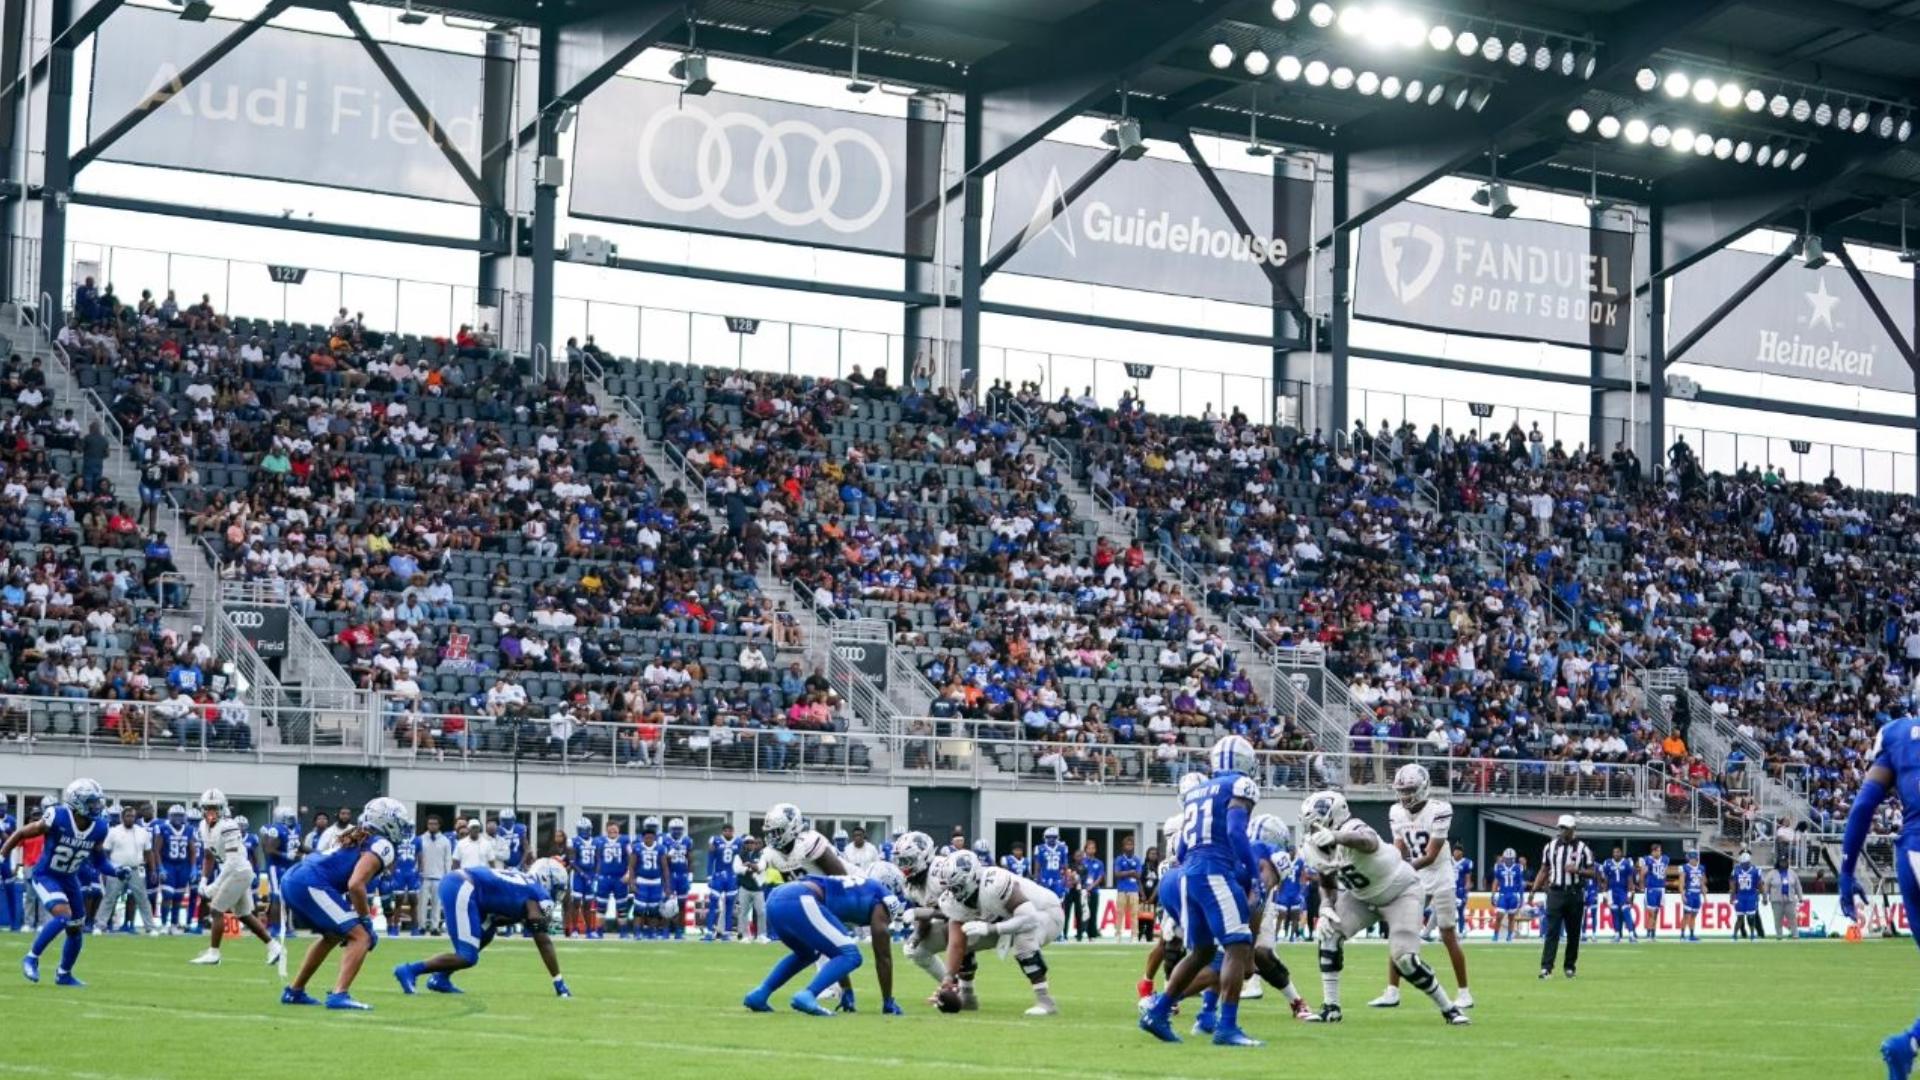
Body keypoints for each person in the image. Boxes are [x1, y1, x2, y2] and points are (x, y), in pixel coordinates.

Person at [1296, 789, 1469, 1027]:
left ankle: (1449, 1009)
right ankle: (1331, 1007)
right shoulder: (1315, 845)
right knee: (1328, 934)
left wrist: (1336, 836)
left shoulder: (1353, 828)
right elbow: (1326, 880)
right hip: (1361, 897)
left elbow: (1368, 842)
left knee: (1405, 959)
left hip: (1401, 892)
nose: (1313, 830)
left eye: (1315, 824)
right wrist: (1326, 905)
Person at [1138, 735, 1269, 1046]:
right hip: (1215, 872)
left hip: (1189, 873)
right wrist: (1253, 876)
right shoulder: (1240, 786)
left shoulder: (1198, 790)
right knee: (1237, 946)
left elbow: (1182, 847)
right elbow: (1237, 832)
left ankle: (1157, 1013)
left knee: (1203, 951)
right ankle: (1227, 1028)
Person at [1839, 716, 1920, 1076]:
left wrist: (1846, 870)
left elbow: (1862, 807)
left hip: (1911, 858)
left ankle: (1909, 1046)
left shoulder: (1897, 734)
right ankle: (1909, 1043)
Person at [279, 797, 408, 1010]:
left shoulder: (357, 835)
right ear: (385, 821)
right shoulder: (382, 844)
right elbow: (356, 884)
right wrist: (366, 921)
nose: (402, 828)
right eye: (399, 823)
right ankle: (339, 994)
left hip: (296, 878)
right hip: (312, 883)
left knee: (333, 936)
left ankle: (295, 991)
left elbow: (350, 883)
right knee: (361, 937)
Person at [1, 779, 123, 985]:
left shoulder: (100, 827)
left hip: (69, 878)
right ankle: (31, 957)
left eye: (97, 802)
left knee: (76, 928)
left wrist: (117, 870)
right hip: (46, 874)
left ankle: (64, 974)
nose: (96, 806)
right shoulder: (57, 816)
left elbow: (99, 860)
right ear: (77, 802)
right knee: (64, 916)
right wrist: (3, 855)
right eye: (91, 802)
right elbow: (21, 832)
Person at [1372, 764, 1472, 1010]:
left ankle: (1464, 992)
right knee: (1400, 930)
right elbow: (1399, 848)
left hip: (1440, 874)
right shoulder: (1396, 812)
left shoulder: (1439, 810)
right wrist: (1389, 865)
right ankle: (1392, 990)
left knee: (1448, 934)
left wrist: (1401, 870)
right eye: (1402, 790)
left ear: (1423, 788)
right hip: (1416, 876)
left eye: (1410, 790)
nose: (1404, 795)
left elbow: (1430, 854)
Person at [394, 859, 571, 997]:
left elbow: (498, 916)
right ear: (548, 880)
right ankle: (409, 970)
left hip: (463, 885)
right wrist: (558, 981)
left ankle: (441, 979)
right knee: (467, 956)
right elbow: (542, 938)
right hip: (464, 887)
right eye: (557, 888)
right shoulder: (539, 892)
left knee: (487, 932)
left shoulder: (524, 883)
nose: (557, 894)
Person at [744, 864, 905, 1016]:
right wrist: (887, 1001)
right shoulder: (885, 896)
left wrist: (847, 991)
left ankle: (759, 994)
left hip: (777, 898)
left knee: (807, 953)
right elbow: (882, 953)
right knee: (852, 955)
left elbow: (835, 950)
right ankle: (808, 995)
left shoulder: (857, 889)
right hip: (801, 898)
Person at [936, 850, 1065, 1017]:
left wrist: (992, 929)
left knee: (1023, 940)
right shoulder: (952, 901)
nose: (953, 893)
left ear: (972, 877)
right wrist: (948, 980)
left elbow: (1029, 918)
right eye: (950, 888)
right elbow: (956, 944)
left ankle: (1046, 1001)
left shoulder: (994, 882)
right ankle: (967, 996)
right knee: (966, 938)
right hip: (1008, 919)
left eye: (957, 887)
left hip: (1046, 912)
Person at [189, 789, 284, 967]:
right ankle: (274, 947)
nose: (211, 812)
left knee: (217, 909)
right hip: (232, 870)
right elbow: (208, 855)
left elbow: (232, 862)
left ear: (222, 808)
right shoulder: (203, 826)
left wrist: (215, 885)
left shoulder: (228, 826)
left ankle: (214, 953)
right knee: (244, 915)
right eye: (207, 808)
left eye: (215, 808)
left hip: (239, 871)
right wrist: (203, 880)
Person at [1529, 814, 1596, 979]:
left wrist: (1578, 871)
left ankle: (1569, 966)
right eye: (1560, 827)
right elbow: (1544, 870)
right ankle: (1546, 968)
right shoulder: (1550, 847)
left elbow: (1592, 872)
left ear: (1573, 829)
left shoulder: (1583, 848)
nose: (1561, 831)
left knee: (1573, 933)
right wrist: (1533, 890)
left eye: (1565, 828)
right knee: (1551, 931)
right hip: (1555, 892)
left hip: (1574, 893)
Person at [887, 832, 949, 991]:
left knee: (957, 932)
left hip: (980, 919)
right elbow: (926, 912)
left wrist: (919, 913)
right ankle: (950, 986)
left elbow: (959, 912)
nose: (903, 866)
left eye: (908, 860)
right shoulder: (911, 884)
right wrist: (916, 936)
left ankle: (958, 989)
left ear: (924, 856)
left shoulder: (941, 872)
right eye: (900, 861)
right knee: (916, 951)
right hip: (952, 923)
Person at [97, 805, 159, 935]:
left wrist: (153, 870)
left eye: (132, 816)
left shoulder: (142, 832)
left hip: (136, 869)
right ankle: (100, 925)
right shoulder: (114, 831)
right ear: (122, 817)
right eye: (127, 816)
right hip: (117, 870)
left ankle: (150, 927)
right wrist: (105, 869)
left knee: (142, 898)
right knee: (109, 897)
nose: (130, 819)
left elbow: (149, 853)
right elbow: (106, 852)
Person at [154, 804, 198, 933]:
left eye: (180, 815)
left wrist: (194, 867)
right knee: (167, 895)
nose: (178, 818)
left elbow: (193, 851)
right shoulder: (163, 828)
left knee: (178, 897)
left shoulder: (189, 829)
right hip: (169, 864)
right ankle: (163, 923)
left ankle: (174, 924)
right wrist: (160, 867)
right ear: (169, 816)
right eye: (175, 815)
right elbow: (156, 850)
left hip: (183, 865)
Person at [261, 807, 302, 938]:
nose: (292, 820)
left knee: (288, 896)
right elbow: (269, 849)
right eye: (288, 818)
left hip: (290, 866)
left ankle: (286, 926)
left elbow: (298, 845)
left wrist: (310, 853)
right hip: (276, 867)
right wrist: (285, 855)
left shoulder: (297, 828)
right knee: (276, 897)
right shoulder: (275, 829)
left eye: (292, 817)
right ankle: (275, 927)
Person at [624, 818, 663, 940]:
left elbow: (665, 867)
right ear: (642, 837)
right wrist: (632, 882)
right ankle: (637, 932)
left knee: (653, 910)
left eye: (651, 837)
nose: (649, 839)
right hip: (642, 881)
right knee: (639, 909)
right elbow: (631, 866)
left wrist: (666, 885)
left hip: (656, 882)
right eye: (646, 837)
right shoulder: (637, 846)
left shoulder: (660, 847)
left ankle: (652, 932)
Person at [414, 815, 454, 936]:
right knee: (422, 904)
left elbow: (448, 860)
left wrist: (447, 876)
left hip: (439, 877)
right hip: (424, 876)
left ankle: (435, 927)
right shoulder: (420, 839)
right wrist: (417, 873)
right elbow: (417, 858)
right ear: (427, 825)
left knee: (437, 904)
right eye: (430, 823)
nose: (432, 826)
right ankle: (421, 926)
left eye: (435, 824)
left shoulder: (445, 840)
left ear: (439, 825)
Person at [705, 823, 741, 941]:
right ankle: (709, 931)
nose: (727, 833)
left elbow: (742, 859)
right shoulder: (715, 841)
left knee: (729, 906)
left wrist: (739, 877)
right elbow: (711, 859)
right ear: (722, 832)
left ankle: (726, 932)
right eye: (725, 831)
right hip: (718, 875)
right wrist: (709, 876)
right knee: (713, 904)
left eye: (729, 831)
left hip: (732, 876)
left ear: (733, 831)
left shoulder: (739, 842)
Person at [566, 817, 597, 937]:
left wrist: (595, 874)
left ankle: (590, 929)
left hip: (591, 875)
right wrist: (583, 874)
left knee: (589, 904)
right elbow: (572, 861)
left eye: (586, 829)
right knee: (576, 902)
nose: (584, 831)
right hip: (578, 875)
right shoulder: (573, 841)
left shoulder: (595, 842)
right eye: (582, 829)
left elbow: (598, 859)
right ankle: (574, 929)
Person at [1600, 846, 1639, 943]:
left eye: (1617, 852)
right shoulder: (1608, 863)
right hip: (1612, 892)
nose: (1615, 854)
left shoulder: (1627, 863)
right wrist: (1604, 895)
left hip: (1623, 891)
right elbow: (1606, 880)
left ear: (1621, 853)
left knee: (1626, 912)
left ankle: (1631, 935)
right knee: (1615, 913)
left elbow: (1630, 880)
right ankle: (1617, 934)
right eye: (1614, 852)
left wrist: (1630, 894)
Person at [663, 817, 693, 939]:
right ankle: (665, 930)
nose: (677, 831)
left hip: (682, 875)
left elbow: (690, 858)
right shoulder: (665, 840)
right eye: (675, 829)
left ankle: (679, 931)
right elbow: (662, 860)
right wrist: (669, 854)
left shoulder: (687, 841)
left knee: (682, 905)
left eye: (679, 829)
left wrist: (690, 874)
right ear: (670, 829)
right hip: (670, 875)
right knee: (666, 905)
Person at [1070, 839, 1103, 941]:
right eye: (1089, 848)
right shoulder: (1082, 861)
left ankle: (1092, 935)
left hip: (1094, 890)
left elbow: (1100, 876)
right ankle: (1080, 933)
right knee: (1082, 913)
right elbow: (1077, 875)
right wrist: (1083, 887)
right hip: (1082, 891)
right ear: (1085, 850)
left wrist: (1092, 886)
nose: (1091, 850)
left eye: (1093, 848)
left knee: (1093, 912)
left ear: (1095, 850)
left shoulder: (1099, 863)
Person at [1490, 849, 1526, 942]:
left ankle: (1509, 936)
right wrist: (1493, 894)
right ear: (1504, 858)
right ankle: (1495, 935)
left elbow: (1520, 883)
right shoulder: (1498, 867)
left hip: (1513, 895)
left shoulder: (1518, 867)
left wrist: (1521, 897)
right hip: (1503, 894)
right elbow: (1496, 881)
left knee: (1511, 917)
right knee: (1499, 916)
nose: (1509, 860)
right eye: (1507, 858)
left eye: (1511, 858)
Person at [1729, 852, 1764, 940]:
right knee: (1740, 917)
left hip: (1751, 896)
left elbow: (1760, 884)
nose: (1744, 865)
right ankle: (1735, 934)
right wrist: (1732, 897)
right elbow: (1733, 885)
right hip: (1740, 896)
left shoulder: (1756, 870)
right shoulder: (1736, 870)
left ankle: (1752, 934)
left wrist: (1763, 894)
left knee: (1751, 917)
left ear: (1749, 862)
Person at [1112, 835, 1141, 939]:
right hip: (1122, 889)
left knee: (1134, 913)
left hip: (1133, 889)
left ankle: (1134, 934)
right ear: (1123, 846)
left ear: (1133, 846)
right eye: (1127, 844)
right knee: (1120, 913)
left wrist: (1126, 873)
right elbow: (1116, 874)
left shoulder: (1137, 860)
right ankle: (1118, 934)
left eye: (1131, 844)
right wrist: (1130, 872)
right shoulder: (1119, 859)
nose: (1129, 846)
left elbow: (1138, 875)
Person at [1639, 842, 1669, 941]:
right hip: (1651, 888)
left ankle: (1652, 933)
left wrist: (1664, 881)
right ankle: (1650, 933)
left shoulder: (1665, 859)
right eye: (1658, 851)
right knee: (1651, 912)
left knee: (1656, 912)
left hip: (1660, 888)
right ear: (1653, 851)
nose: (1660, 852)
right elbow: (1642, 873)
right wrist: (1642, 885)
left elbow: (1665, 872)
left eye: (1660, 850)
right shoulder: (1647, 860)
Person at [1764, 854, 1798, 939]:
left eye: (1785, 862)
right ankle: (1779, 936)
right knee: (1778, 919)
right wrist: (1765, 897)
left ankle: (1795, 935)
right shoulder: (1771, 873)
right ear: (1778, 863)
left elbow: (1798, 886)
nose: (1783, 864)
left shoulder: (1792, 873)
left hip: (1789, 899)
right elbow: (1766, 886)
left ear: (1787, 862)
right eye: (1781, 862)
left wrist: (1800, 897)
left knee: (1792, 918)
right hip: (1776, 900)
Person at [1679, 849, 1706, 942]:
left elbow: (1702, 883)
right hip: (1689, 893)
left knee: (1694, 915)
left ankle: (1691, 934)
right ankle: (1682, 935)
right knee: (1686, 915)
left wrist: (1705, 896)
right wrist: (1682, 894)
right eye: (1693, 858)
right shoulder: (1685, 867)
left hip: (1697, 894)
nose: (1695, 860)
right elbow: (1681, 882)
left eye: (1695, 858)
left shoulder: (1701, 868)